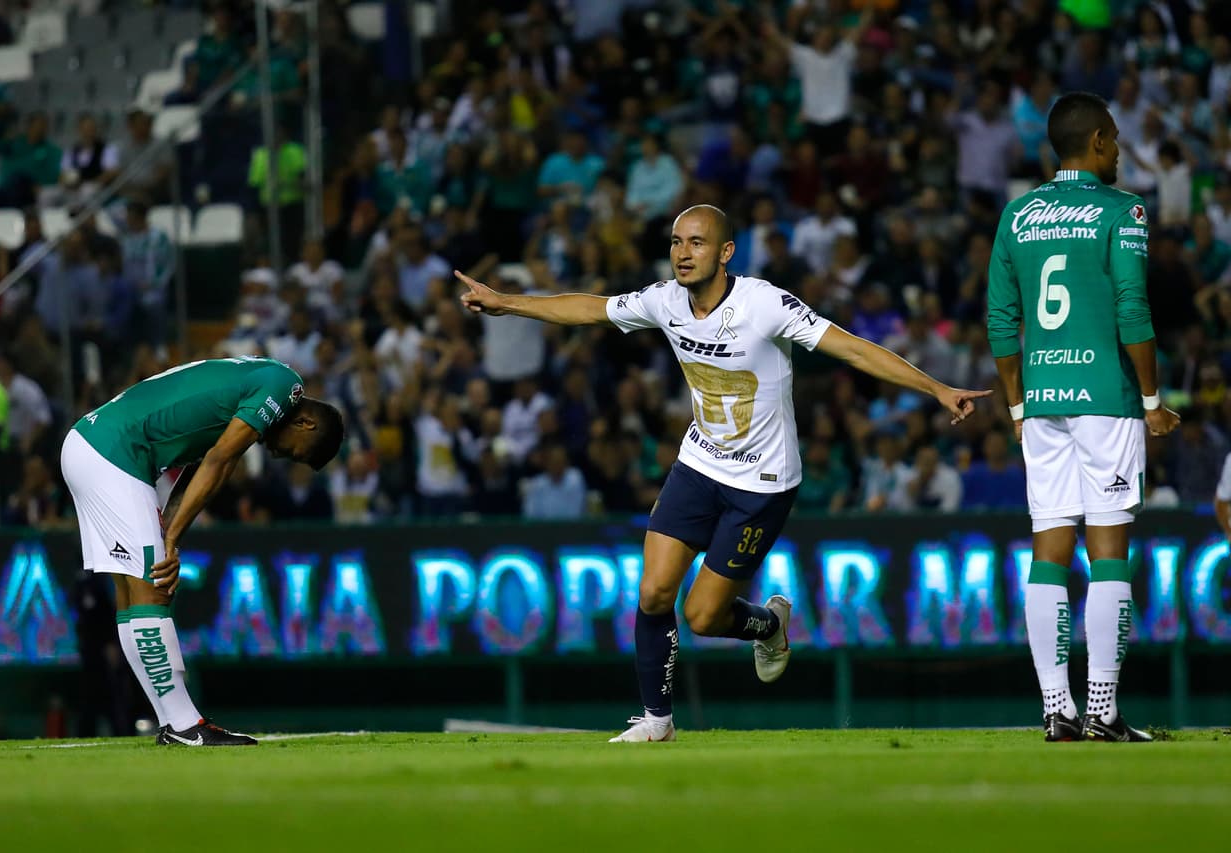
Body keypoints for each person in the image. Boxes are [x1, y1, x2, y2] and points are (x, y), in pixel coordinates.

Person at [457, 204, 990, 743]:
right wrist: (507, 303)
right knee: (653, 592)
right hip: (699, 464)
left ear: (725, 252)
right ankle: (657, 721)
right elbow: (591, 309)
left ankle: (770, 624)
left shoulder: (765, 304)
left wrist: (937, 389)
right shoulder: (665, 301)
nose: (683, 254)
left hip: (762, 483)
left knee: (703, 617)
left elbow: (852, 349)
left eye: (696, 243)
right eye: (675, 243)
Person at [987, 92, 1181, 744]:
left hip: (1043, 404)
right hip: (1106, 400)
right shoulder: (1122, 210)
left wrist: (1017, 406)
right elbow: (1132, 307)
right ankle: (1101, 708)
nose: (1121, 151)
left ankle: (1055, 709)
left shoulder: (1017, 215)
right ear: (1097, 141)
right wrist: (1152, 402)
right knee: (1108, 554)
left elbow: (1002, 322)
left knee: (1048, 550)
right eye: (1117, 140)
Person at [59, 356, 344, 746]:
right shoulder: (284, 385)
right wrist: (171, 541)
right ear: (305, 423)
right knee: (152, 587)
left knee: (132, 594)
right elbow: (219, 459)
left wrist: (171, 532)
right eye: (297, 452)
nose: (281, 456)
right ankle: (184, 725)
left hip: (95, 445)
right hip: (115, 453)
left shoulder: (254, 387)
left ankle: (172, 722)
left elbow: (209, 463)